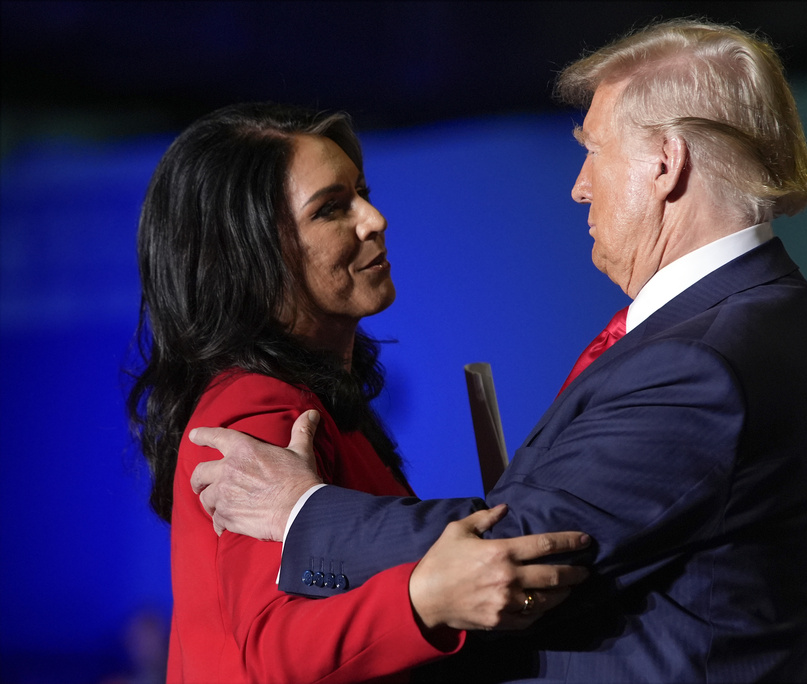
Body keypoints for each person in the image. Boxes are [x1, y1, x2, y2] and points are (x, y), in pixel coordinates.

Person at [190, 19, 807, 682]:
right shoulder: (757, 318)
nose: (580, 185)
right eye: (333, 206)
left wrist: (300, 512)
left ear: (664, 163)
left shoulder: (702, 359)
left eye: (593, 150)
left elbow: (518, 547)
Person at [126, 101, 590, 683]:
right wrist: (424, 599)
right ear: (248, 255)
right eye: (331, 209)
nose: (375, 219)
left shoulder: (316, 399)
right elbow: (268, 653)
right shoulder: (256, 407)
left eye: (362, 193)